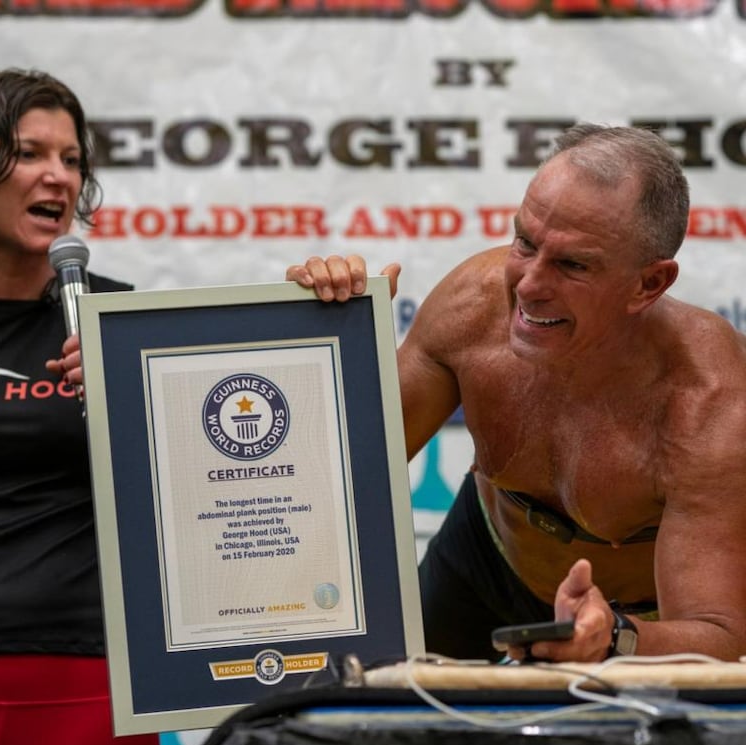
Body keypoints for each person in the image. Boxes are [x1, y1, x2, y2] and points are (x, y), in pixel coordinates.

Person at [286, 123, 746, 664]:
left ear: (649, 284)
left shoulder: (710, 404)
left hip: (632, 619)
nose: (527, 285)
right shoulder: (471, 308)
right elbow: (328, 476)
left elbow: (721, 636)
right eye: (525, 242)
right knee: (367, 706)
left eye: (572, 264)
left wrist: (614, 636)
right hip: (486, 554)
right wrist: (313, 341)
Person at [0, 69, 160, 745]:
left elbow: (215, 483)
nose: (58, 176)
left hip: (90, 689)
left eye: (70, 159)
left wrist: (131, 399)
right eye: (28, 153)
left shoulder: (123, 325)